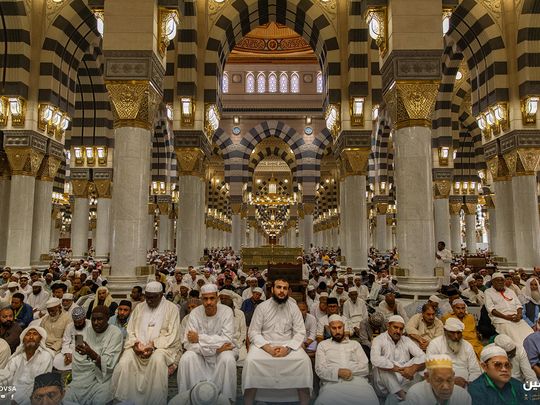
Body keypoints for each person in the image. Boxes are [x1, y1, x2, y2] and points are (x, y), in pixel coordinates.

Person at [242, 278, 313, 405]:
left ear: (288, 291)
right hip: (263, 345)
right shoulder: (262, 307)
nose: (282, 291)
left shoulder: (294, 307)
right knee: (251, 361)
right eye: (279, 287)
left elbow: (300, 332)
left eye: (285, 288)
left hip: (288, 344)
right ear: (272, 289)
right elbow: (253, 332)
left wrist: (288, 348)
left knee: (304, 361)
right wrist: (268, 348)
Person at [111, 281, 181, 405]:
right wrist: (135, 345)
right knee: (124, 362)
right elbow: (130, 331)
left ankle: (154, 401)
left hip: (161, 348)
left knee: (158, 360)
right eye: (147, 296)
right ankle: (125, 400)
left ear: (161, 295)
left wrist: (152, 345)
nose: (149, 300)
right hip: (138, 348)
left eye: (152, 297)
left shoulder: (172, 308)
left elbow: (172, 334)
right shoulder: (139, 307)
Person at [178, 284, 237, 402]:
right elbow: (187, 343)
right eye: (205, 299)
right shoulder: (194, 313)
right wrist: (215, 349)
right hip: (202, 354)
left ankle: (226, 400)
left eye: (212, 298)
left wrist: (199, 338)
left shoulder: (227, 311)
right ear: (201, 299)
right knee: (186, 358)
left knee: (228, 358)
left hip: (223, 352)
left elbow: (227, 340)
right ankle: (189, 398)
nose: (209, 302)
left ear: (217, 298)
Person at [65, 305, 124, 405]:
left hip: (105, 378)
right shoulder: (88, 330)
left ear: (108, 318)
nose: (96, 323)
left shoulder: (115, 333)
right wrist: (80, 352)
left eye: (100, 319)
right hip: (85, 375)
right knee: (68, 398)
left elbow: (110, 364)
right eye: (93, 319)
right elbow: (79, 359)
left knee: (99, 401)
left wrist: (91, 353)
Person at [314, 314, 379, 405]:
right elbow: (320, 370)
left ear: (344, 327)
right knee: (324, 401)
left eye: (340, 327)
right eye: (334, 328)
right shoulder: (323, 345)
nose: (337, 331)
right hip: (332, 384)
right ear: (329, 329)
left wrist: (349, 371)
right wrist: (338, 372)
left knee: (370, 400)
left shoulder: (354, 344)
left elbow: (365, 368)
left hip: (357, 382)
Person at [371, 315, 426, 403]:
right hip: (385, 381)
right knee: (381, 366)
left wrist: (413, 368)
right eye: (395, 327)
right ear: (388, 326)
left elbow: (422, 356)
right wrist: (396, 369)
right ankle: (402, 395)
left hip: (405, 375)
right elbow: (375, 359)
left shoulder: (406, 340)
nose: (398, 331)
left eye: (401, 329)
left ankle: (408, 391)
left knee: (420, 361)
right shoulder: (379, 339)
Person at [0, 326, 54, 405]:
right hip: (12, 389)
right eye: (28, 334)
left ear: (40, 339)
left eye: (35, 334)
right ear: (23, 339)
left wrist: (18, 400)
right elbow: (6, 377)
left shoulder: (46, 356)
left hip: (33, 393)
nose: (31, 337)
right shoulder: (16, 357)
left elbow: (39, 384)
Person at [426, 318, 482, 388]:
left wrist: (469, 383)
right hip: (441, 384)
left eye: (458, 333)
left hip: (466, 385)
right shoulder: (435, 344)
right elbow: (429, 370)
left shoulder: (467, 346)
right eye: (452, 332)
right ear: (445, 331)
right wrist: (451, 381)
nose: (456, 337)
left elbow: (475, 370)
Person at [485, 272, 533, 345]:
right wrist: (506, 317)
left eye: (502, 280)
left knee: (530, 334)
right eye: (497, 280)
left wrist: (519, 315)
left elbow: (518, 305)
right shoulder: (488, 292)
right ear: (492, 282)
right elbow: (491, 310)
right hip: (501, 320)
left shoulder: (510, 291)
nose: (500, 282)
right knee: (516, 339)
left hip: (516, 318)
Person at [405, 354, 472, 405]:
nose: (446, 387)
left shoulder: (463, 397)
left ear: (453, 376)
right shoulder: (415, 396)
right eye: (439, 380)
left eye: (449, 380)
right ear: (427, 377)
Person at [53, 306, 90, 371]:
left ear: (84, 318)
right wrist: (67, 353)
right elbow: (65, 342)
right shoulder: (70, 326)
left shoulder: (91, 325)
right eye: (75, 322)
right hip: (71, 350)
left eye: (79, 322)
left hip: (85, 351)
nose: (77, 324)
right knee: (57, 360)